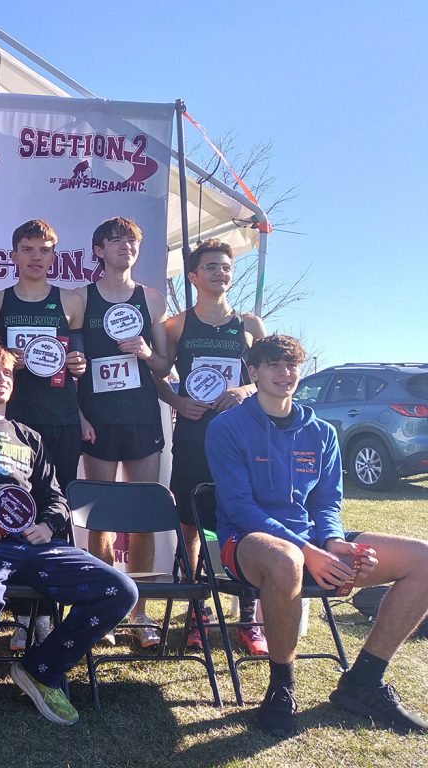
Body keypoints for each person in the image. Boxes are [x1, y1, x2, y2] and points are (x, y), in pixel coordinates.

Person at [207, 335, 428, 737]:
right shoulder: (227, 427)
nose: (284, 373)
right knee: (286, 559)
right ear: (253, 373)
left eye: (291, 365)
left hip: (312, 542)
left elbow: (327, 502)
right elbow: (240, 508)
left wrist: (332, 543)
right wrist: (308, 550)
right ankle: (281, 688)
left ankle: (363, 682)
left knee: (424, 559)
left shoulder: (322, 432)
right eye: (273, 365)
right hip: (246, 542)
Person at [0, 339, 136, 729]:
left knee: (120, 590)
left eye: (6, 373)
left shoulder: (29, 436)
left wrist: (48, 525)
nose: (1, 379)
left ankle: (42, 669)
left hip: (34, 545)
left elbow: (55, 497)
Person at [156, 238, 268, 654]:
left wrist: (244, 389)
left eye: (225, 267)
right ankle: (196, 616)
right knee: (190, 525)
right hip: (193, 437)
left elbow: (270, 374)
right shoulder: (176, 326)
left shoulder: (251, 325)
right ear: (193, 276)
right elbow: (157, 373)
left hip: (240, 440)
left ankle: (247, 619)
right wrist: (176, 400)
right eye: (211, 267)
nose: (220, 273)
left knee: (243, 522)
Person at [0, 219, 88, 650]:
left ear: (54, 255)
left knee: (55, 515)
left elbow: (80, 360)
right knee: (14, 513)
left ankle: (49, 615)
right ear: (13, 255)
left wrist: (78, 366)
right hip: (15, 423)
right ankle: (22, 617)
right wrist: (5, 357)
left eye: (44, 250)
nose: (36, 257)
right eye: (27, 249)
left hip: (61, 419)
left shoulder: (69, 301)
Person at [77, 216, 170, 647]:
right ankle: (105, 609)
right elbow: (73, 366)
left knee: (142, 516)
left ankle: (141, 613)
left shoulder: (151, 298)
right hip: (98, 417)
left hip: (141, 417)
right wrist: (80, 415)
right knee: (99, 518)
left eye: (131, 241)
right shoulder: (81, 299)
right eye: (115, 241)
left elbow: (165, 366)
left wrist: (148, 352)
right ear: (98, 250)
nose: (124, 247)